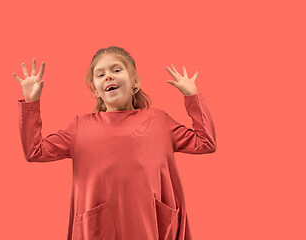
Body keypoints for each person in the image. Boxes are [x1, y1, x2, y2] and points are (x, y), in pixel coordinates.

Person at [13, 46, 216, 240]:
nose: (108, 76)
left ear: (135, 82)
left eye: (116, 70)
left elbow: (206, 142)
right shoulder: (80, 127)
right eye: (100, 75)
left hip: (150, 228)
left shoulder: (158, 121)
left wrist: (192, 95)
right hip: (98, 230)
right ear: (96, 89)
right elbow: (35, 151)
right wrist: (31, 103)